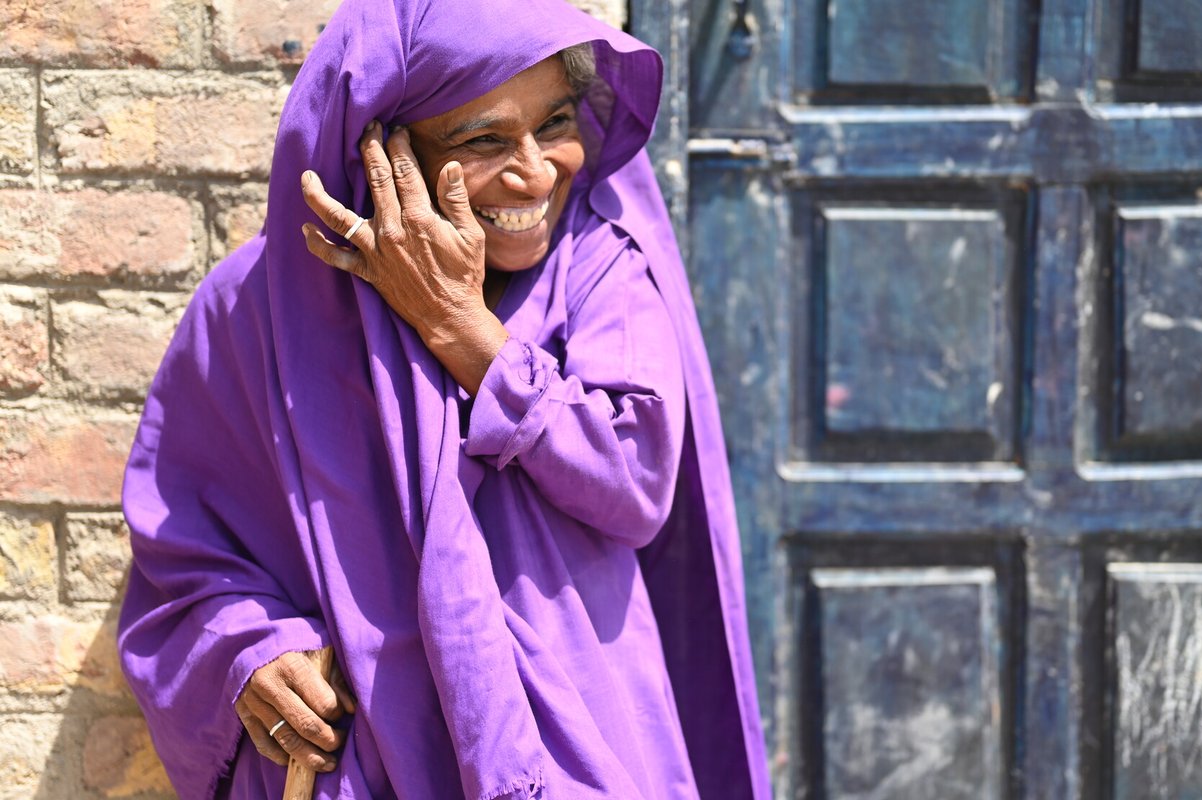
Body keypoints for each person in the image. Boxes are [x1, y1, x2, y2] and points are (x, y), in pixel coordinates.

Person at [116, 0, 771, 797]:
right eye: (484, 140)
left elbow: (632, 482)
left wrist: (459, 329)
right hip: (364, 762)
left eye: (556, 122)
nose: (534, 171)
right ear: (382, 153)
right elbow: (185, 559)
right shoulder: (256, 315)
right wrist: (250, 654)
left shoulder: (599, 269)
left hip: (579, 753)